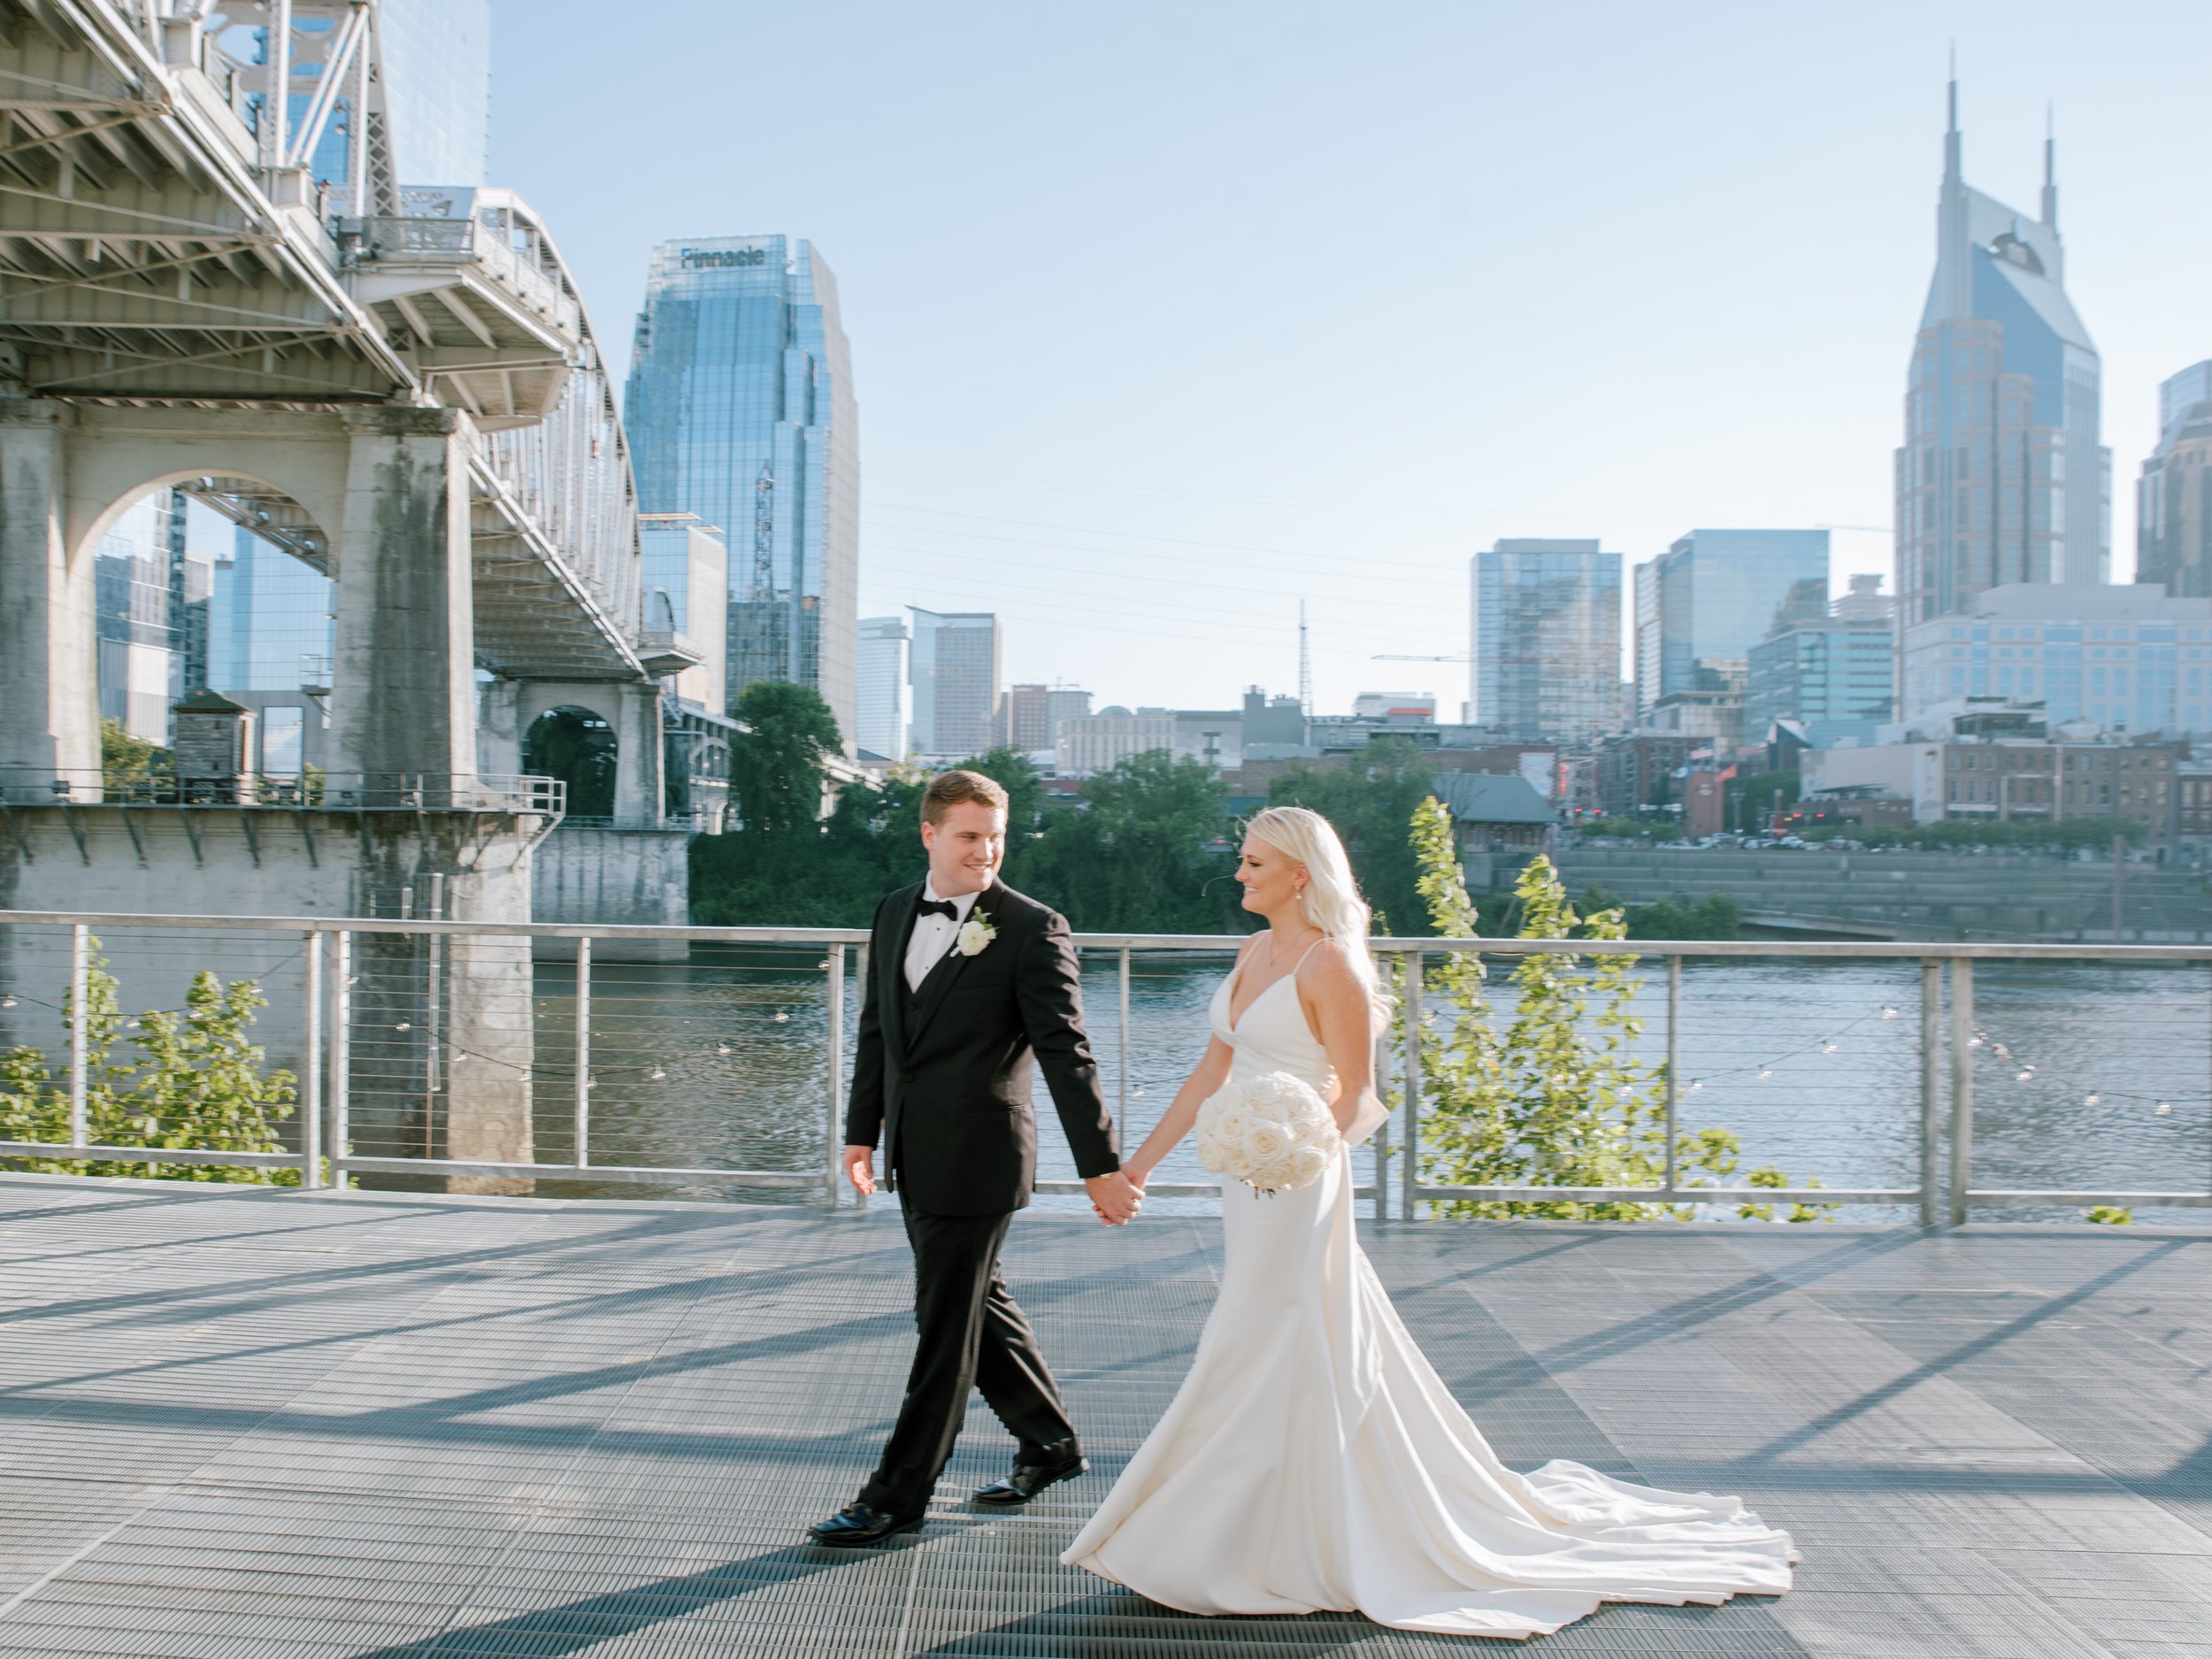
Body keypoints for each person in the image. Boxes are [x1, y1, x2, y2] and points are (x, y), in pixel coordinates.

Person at [1061, 805, 1796, 1639]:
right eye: (1244, 861)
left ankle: (1260, 1533)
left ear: (1301, 874)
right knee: (1270, 1333)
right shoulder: (1250, 953)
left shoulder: (1330, 963)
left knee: (1262, 1330)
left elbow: (1357, 1091)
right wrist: (1137, 1167)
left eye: (1257, 865)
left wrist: (1294, 1151)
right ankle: (1253, 1518)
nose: (1240, 875)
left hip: (1297, 1180)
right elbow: (1209, 1074)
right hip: (1246, 1177)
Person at [808, 769, 1145, 1548]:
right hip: (913, 1153)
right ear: (929, 834)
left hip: (982, 1157)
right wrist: (862, 1131)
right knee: (973, 1306)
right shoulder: (895, 910)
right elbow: (878, 1032)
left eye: (995, 837)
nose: (985, 851)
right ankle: (1050, 1444)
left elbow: (1068, 1053)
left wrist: (1101, 1164)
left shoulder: (1032, 926)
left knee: (942, 1329)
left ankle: (897, 1494)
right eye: (968, 835)